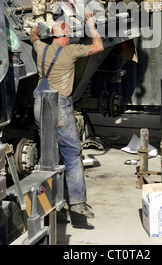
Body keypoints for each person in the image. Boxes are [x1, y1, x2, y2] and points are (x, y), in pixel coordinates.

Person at [29, 13, 104, 218]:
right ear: (65, 38)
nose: (69, 39)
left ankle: (50, 204)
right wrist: (91, 26)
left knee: (49, 154)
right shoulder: (70, 51)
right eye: (68, 36)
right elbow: (98, 47)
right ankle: (78, 202)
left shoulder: (41, 48)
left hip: (40, 104)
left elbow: (33, 36)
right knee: (72, 153)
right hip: (60, 106)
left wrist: (36, 27)